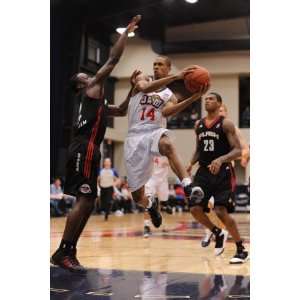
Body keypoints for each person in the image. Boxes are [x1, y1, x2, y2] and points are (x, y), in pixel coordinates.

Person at [51, 15, 142, 273]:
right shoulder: (90, 89)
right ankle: (63, 250)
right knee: (83, 201)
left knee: (89, 202)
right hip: (83, 149)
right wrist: (127, 31)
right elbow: (112, 60)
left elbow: (123, 110)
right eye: (84, 74)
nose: (89, 75)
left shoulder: (98, 103)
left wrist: (133, 88)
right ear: (81, 84)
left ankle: (68, 251)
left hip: (88, 149)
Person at [124, 60, 208, 230]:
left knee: (167, 144)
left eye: (160, 64)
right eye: (154, 64)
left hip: (154, 130)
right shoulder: (142, 82)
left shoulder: (169, 94)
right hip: (134, 136)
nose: (155, 67)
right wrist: (176, 76)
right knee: (137, 196)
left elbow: (166, 112)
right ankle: (150, 206)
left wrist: (194, 97)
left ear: (168, 68)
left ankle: (188, 186)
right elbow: (146, 88)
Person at [187, 92, 249, 264]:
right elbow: (199, 149)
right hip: (203, 173)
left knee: (221, 211)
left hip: (223, 172)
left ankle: (240, 249)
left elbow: (238, 150)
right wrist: (191, 163)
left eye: (211, 99)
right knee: (194, 208)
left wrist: (221, 159)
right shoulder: (198, 124)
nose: (207, 101)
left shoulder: (226, 124)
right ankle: (217, 232)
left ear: (219, 103)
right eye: (205, 99)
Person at [199, 103, 250, 247]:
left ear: (226, 113)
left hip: (224, 173)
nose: (220, 113)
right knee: (204, 204)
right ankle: (210, 230)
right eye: (218, 110)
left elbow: (244, 149)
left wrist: (244, 158)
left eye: (222, 111)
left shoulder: (232, 129)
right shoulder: (205, 126)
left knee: (220, 207)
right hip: (207, 172)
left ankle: (220, 232)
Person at [143, 156, 171, 237]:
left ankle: (162, 223)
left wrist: (169, 162)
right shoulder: (149, 149)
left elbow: (173, 161)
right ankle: (146, 226)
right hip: (151, 179)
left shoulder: (166, 150)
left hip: (163, 181)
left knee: (163, 204)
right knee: (148, 202)